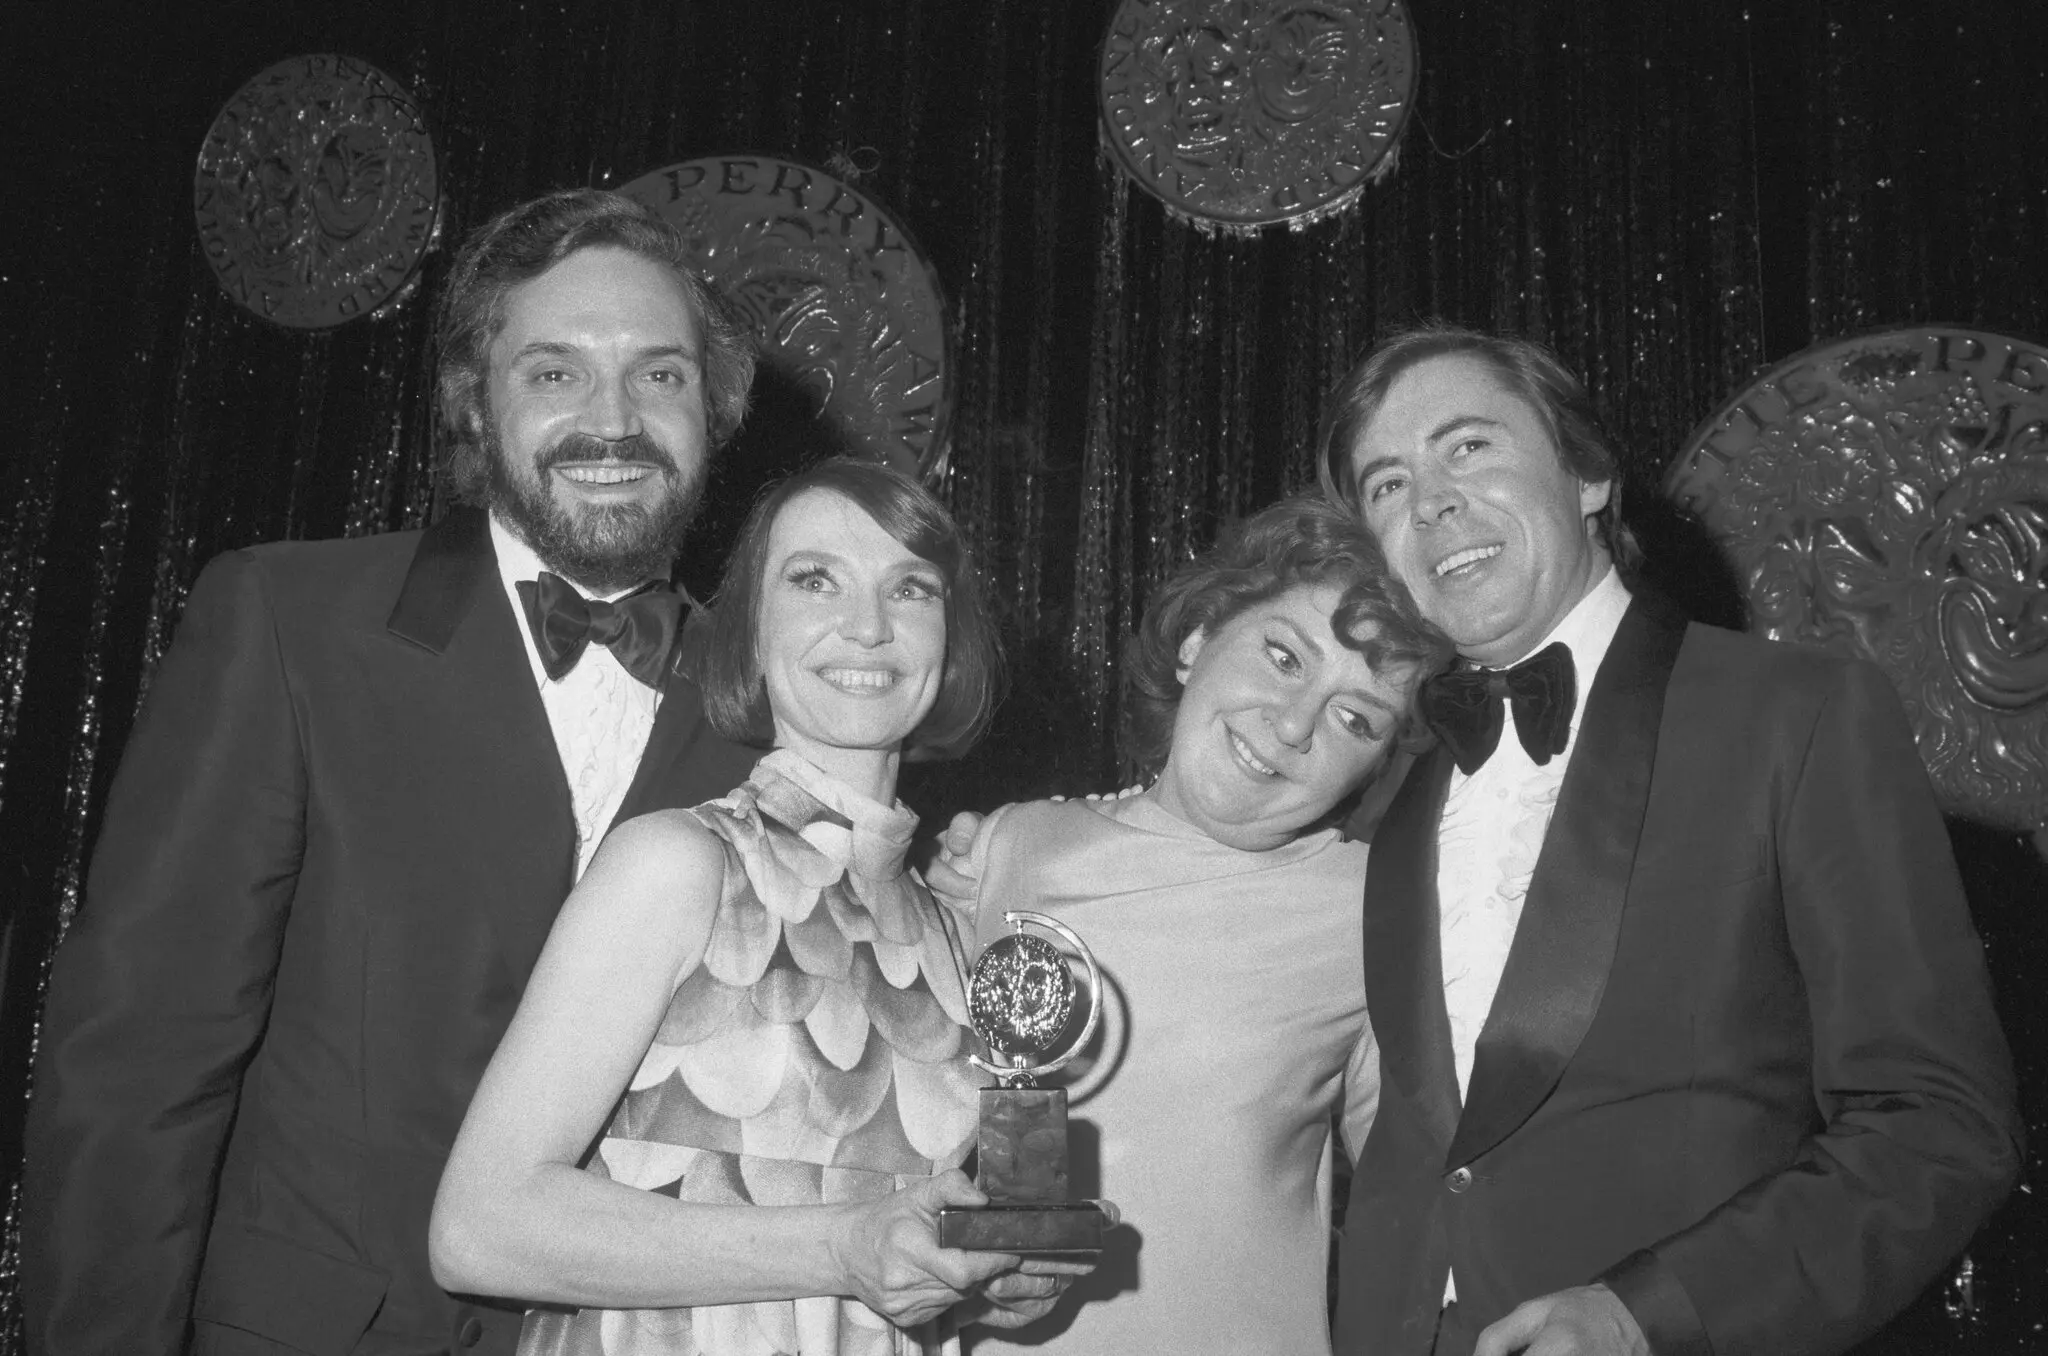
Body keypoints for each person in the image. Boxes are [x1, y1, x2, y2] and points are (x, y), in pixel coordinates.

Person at [21, 189, 764, 1356]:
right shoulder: (286, 619)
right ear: (477, 402)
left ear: (714, 411)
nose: (613, 422)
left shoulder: (768, 713)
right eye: (555, 373)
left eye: (660, 376)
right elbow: (138, 1063)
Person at [1317, 323, 2023, 1356]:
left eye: (1466, 447)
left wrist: (1646, 1315)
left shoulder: (1797, 714)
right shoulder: (1391, 793)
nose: (1428, 503)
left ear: (1589, 476)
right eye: (1385, 486)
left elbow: (1939, 1124)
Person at [431, 456, 1090, 1355]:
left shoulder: (961, 941)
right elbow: (478, 1229)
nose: (867, 626)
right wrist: (841, 1246)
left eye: (911, 588)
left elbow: (897, 1269)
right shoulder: (679, 865)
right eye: (815, 580)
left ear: (951, 639)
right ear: (749, 631)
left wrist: (993, 1282)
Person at [947, 496, 1448, 1355]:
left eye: (1356, 717)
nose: (1291, 727)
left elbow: (1429, 1208)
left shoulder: (1378, 908)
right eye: (1284, 656)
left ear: (1380, 762)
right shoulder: (1007, 844)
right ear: (1197, 639)